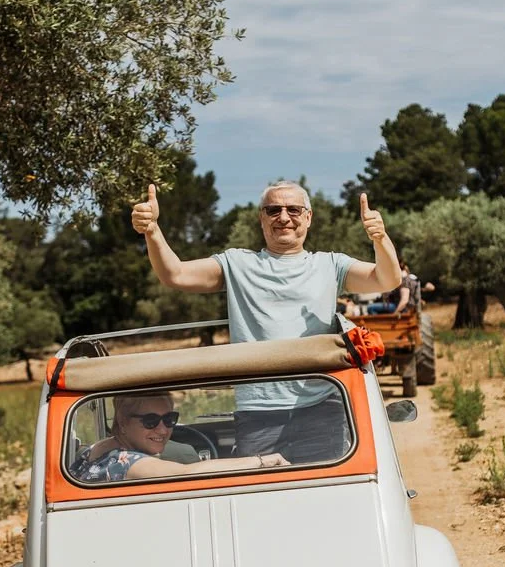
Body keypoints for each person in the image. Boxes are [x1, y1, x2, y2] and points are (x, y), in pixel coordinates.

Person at [130, 180, 401, 460]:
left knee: (323, 495)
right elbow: (175, 275)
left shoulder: (331, 265)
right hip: (258, 410)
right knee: (261, 500)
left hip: (322, 405)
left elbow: (388, 278)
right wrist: (152, 230)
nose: (284, 217)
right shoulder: (237, 263)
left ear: (308, 218)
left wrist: (380, 238)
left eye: (294, 210)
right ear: (262, 219)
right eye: (273, 210)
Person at [73, 391, 288, 483]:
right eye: (150, 421)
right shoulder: (127, 463)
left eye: (169, 419)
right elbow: (188, 472)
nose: (163, 430)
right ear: (122, 422)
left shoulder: (96, 450)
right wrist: (261, 461)